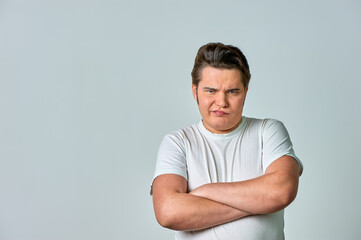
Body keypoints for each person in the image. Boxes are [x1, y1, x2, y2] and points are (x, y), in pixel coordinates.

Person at [151, 42, 303, 240]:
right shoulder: (177, 142)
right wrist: (258, 202)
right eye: (211, 91)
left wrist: (206, 192)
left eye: (232, 91)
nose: (221, 102)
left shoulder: (268, 131)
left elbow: (281, 192)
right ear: (194, 91)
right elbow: (168, 212)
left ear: (245, 91)